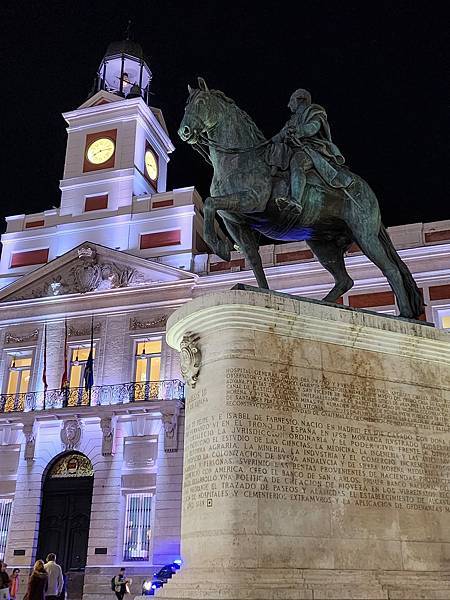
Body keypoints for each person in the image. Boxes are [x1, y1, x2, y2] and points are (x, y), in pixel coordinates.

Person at [267, 88, 353, 210]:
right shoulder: (292, 120)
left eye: (291, 101)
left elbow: (313, 128)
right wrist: (269, 141)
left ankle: (295, 202)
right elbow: (280, 135)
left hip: (310, 149)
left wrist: (297, 131)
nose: (288, 105)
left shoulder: (314, 112)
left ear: (300, 100)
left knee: (298, 162)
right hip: (291, 149)